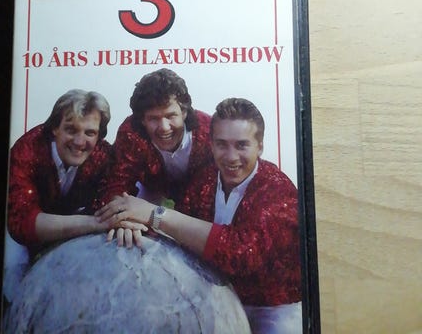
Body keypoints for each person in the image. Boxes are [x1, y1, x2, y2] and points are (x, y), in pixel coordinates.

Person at [98, 98, 302, 334]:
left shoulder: (278, 189)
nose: (231, 156)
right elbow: (180, 235)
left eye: (242, 145)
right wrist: (133, 222)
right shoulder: (204, 179)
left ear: (260, 146)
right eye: (222, 144)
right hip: (217, 296)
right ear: (211, 145)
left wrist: (154, 214)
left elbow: (239, 254)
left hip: (275, 308)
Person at [7, 89, 124, 257]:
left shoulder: (104, 155)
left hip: (73, 225)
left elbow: (111, 199)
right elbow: (22, 222)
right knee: (15, 263)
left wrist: (120, 217)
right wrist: (95, 223)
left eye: (90, 133)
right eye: (71, 130)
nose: (79, 142)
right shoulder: (26, 150)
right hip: (19, 234)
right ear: (55, 128)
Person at [98, 68, 212, 208]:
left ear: (184, 112)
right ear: (142, 119)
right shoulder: (130, 133)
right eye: (153, 118)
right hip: (151, 191)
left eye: (171, 116)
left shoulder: (209, 131)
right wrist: (121, 211)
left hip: (201, 197)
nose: (164, 127)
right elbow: (117, 183)